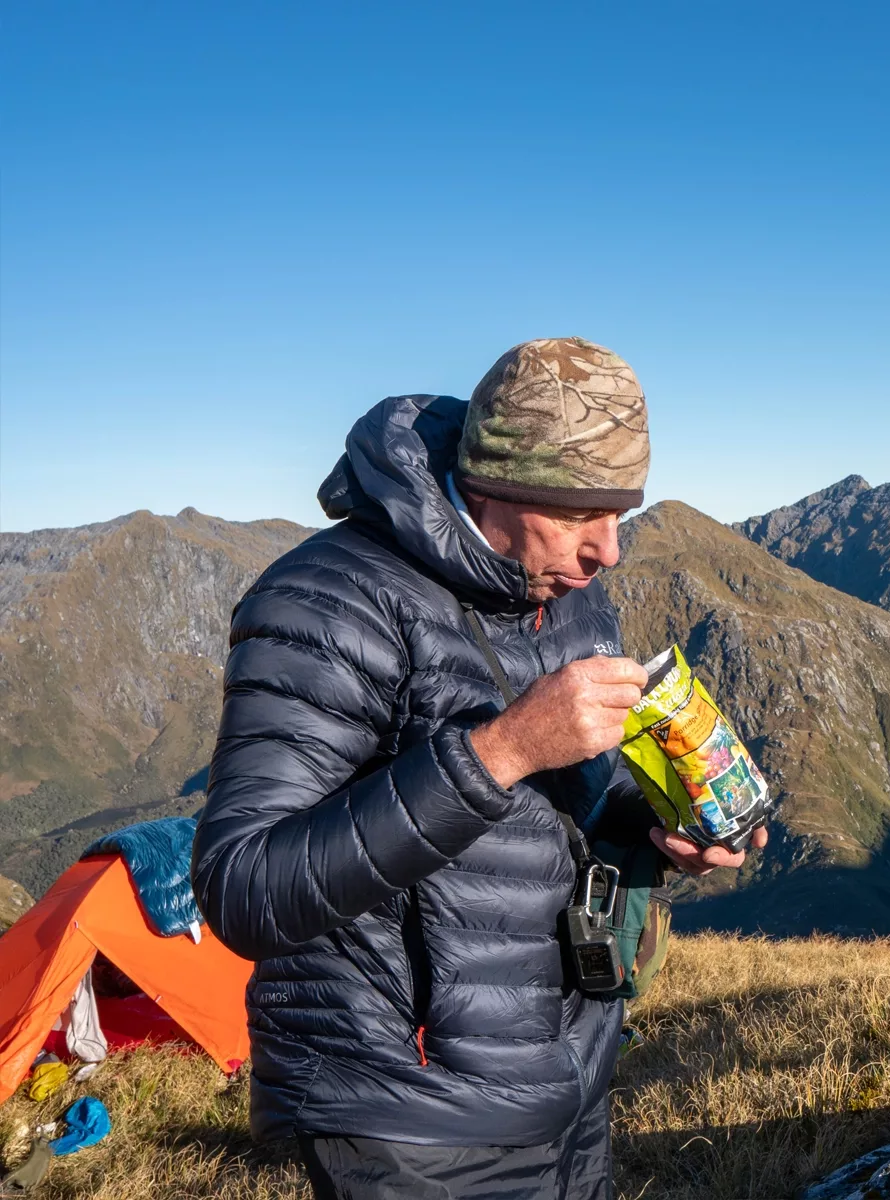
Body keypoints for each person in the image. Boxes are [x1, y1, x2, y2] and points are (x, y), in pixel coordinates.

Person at [193, 338, 765, 1199]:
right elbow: (244, 887)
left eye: (622, 514)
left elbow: (561, 802)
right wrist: (502, 751)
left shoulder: (562, 592)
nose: (608, 551)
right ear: (496, 488)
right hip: (411, 1109)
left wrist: (655, 827)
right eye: (581, 517)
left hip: (565, 1074)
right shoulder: (326, 602)